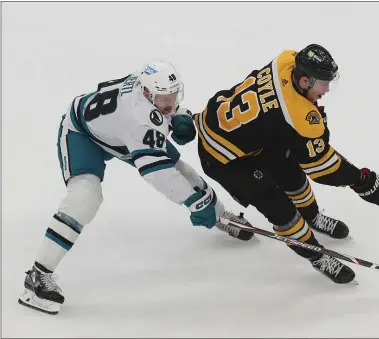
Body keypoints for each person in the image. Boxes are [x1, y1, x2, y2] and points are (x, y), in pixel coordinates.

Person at [18, 60, 250, 315]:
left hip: (114, 132)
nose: (170, 102)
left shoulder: (146, 90)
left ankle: (218, 214)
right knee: (85, 197)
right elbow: (158, 175)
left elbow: (158, 113)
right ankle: (37, 277)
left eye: (174, 96)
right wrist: (195, 204)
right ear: (148, 94)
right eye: (165, 99)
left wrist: (175, 116)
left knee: (182, 170)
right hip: (81, 134)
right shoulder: (138, 121)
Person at [192, 44, 379, 285]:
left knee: (291, 172)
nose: (326, 89)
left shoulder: (287, 60)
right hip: (223, 158)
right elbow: (322, 167)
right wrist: (361, 181)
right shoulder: (298, 116)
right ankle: (317, 256)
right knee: (280, 209)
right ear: (305, 81)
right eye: (322, 83)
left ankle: (312, 217)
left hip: (241, 131)